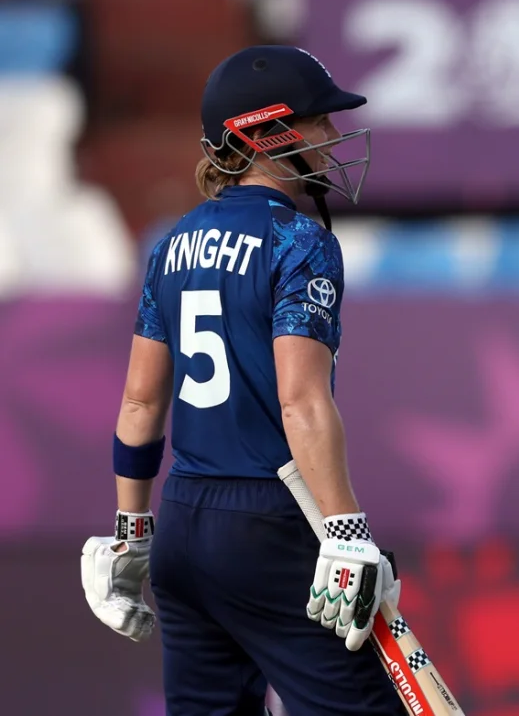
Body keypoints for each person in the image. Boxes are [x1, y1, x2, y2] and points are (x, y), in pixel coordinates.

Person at [79, 44, 404, 715]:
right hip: (268, 522)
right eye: (320, 121)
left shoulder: (171, 242)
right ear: (267, 132)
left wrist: (131, 530)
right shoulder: (300, 239)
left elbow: (141, 402)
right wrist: (345, 529)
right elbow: (302, 400)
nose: (334, 136)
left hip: (182, 521)